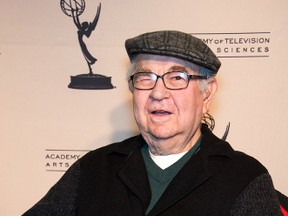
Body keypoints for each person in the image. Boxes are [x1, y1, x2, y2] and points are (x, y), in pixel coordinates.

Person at [23, 30, 282, 215]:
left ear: (207, 93)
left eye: (177, 77)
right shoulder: (93, 169)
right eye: (145, 77)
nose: (158, 93)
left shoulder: (244, 179)